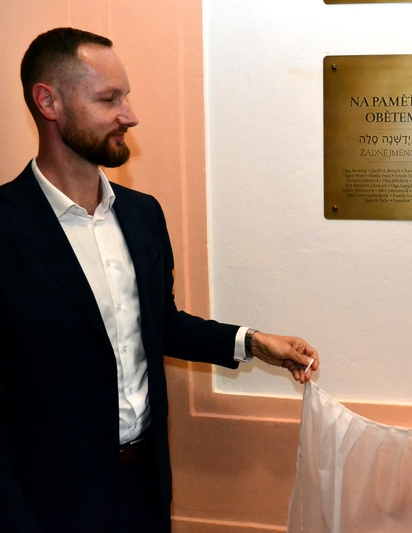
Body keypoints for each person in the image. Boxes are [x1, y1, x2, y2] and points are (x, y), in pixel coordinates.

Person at [0, 27, 319, 533]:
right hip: (46, 507)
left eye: (126, 97)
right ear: (48, 102)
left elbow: (160, 324)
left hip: (145, 491)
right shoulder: (6, 224)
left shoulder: (142, 214)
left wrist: (253, 342)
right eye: (109, 99)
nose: (130, 115)